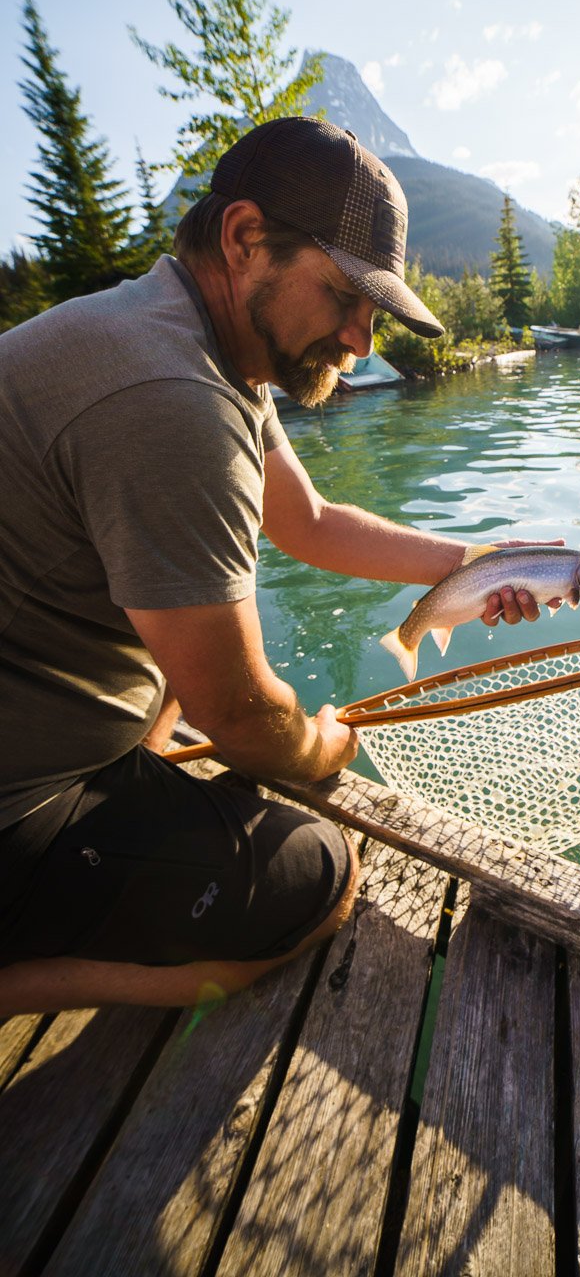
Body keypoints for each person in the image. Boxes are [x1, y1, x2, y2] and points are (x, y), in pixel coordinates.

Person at [0, 116, 551, 1018]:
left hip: (39, 718)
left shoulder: (192, 342)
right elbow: (246, 715)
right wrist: (323, 744)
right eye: (346, 299)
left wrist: (476, 561)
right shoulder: (172, 400)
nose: (363, 341)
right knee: (320, 880)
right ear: (246, 238)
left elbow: (312, 521)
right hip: (16, 798)